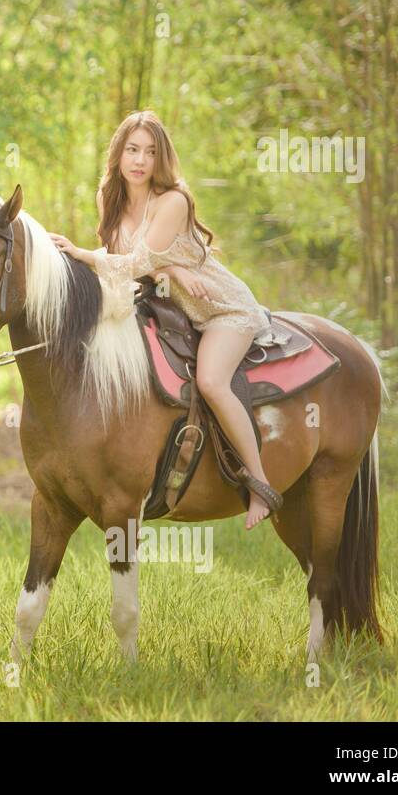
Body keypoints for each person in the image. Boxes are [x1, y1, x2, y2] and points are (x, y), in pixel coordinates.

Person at [48, 110, 282, 530]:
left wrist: (82, 254)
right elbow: (141, 267)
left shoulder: (172, 201)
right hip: (174, 306)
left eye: (150, 152)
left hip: (221, 310)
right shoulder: (110, 199)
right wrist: (170, 272)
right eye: (132, 150)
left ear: (162, 159)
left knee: (211, 381)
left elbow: (135, 260)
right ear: (118, 154)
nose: (140, 160)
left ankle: (260, 485)